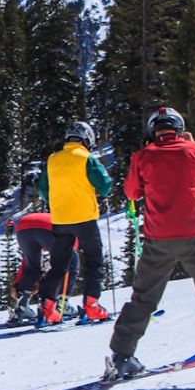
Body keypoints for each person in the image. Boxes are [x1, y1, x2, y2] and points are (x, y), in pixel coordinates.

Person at [104, 106, 195, 384]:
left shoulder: (143, 156)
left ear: (153, 131)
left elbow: (132, 192)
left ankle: (121, 356)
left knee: (143, 298)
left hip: (159, 238)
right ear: (180, 128)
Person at [36, 121, 112, 326]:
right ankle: (91, 305)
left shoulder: (52, 159)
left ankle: (48, 308)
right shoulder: (86, 158)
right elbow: (105, 185)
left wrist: (55, 202)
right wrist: (101, 193)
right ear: (87, 139)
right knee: (94, 261)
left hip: (60, 219)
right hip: (84, 217)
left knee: (59, 264)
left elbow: (43, 190)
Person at [7, 210, 82, 323]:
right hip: (48, 227)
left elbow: (27, 263)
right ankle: (61, 304)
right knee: (71, 260)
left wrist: (17, 283)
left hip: (23, 227)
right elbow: (64, 262)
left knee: (31, 266)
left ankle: (22, 307)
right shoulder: (73, 234)